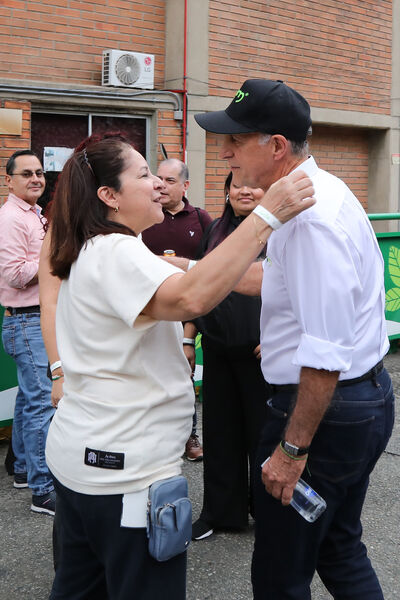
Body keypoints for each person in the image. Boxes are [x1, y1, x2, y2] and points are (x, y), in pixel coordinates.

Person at [42, 133, 314, 599]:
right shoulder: (116, 251)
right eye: (144, 175)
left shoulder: (96, 248)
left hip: (84, 464)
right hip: (125, 477)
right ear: (109, 196)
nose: (158, 185)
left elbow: (193, 281)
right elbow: (193, 295)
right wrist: (270, 214)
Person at [194, 78, 395, 600]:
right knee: (338, 548)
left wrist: (291, 449)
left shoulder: (309, 218)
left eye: (236, 141)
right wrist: (186, 270)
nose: (225, 153)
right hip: (354, 403)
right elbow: (272, 280)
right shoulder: (307, 192)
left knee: (281, 574)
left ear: (276, 146)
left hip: (323, 414)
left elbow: (325, 354)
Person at [187, 172, 270, 541]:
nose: (244, 190)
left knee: (262, 435)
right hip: (218, 352)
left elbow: (302, 291)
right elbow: (196, 286)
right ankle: (221, 513)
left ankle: (267, 512)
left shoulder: (280, 232)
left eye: (252, 185)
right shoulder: (215, 230)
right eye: (236, 185)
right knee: (220, 435)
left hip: (262, 356)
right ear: (226, 192)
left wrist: (280, 339)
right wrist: (188, 340)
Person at [142, 158, 213, 461]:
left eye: (170, 180)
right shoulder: (144, 217)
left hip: (188, 319)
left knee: (184, 382)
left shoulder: (201, 219)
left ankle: (189, 436)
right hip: (149, 317)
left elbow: (209, 274)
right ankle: (154, 443)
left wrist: (188, 335)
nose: (162, 185)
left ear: (185, 186)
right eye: (158, 178)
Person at [0, 149, 55, 515]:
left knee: (27, 399)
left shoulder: (34, 214)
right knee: (41, 403)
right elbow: (14, 275)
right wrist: (53, 256)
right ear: (10, 180)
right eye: (26, 174)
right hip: (27, 319)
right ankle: (43, 489)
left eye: (39, 172)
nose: (36, 179)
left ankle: (22, 469)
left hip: (33, 319)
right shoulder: (10, 218)